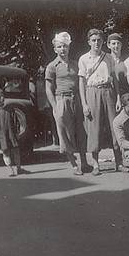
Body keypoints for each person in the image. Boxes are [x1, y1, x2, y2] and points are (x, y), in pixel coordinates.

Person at [78, 28, 122, 176]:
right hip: (92, 92)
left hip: (108, 91)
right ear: (89, 42)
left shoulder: (108, 57)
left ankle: (119, 162)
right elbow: (81, 82)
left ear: (103, 42)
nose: (96, 43)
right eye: (93, 40)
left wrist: (118, 98)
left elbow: (114, 79)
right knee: (94, 127)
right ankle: (96, 165)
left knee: (114, 126)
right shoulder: (83, 59)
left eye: (99, 40)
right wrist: (84, 104)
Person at [45, 32, 88, 175]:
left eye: (65, 46)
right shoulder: (52, 66)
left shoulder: (75, 64)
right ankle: (74, 164)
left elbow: (82, 84)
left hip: (77, 100)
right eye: (59, 47)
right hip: (61, 100)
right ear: (55, 49)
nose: (62, 49)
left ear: (69, 48)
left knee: (81, 131)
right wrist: (55, 107)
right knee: (65, 133)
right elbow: (48, 89)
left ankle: (84, 162)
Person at [0, 86, 28, 176]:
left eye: (2, 96)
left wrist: (18, 132)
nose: (2, 98)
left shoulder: (10, 109)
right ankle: (10, 168)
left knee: (16, 150)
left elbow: (16, 121)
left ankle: (18, 168)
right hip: (2, 136)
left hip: (12, 134)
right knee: (6, 152)